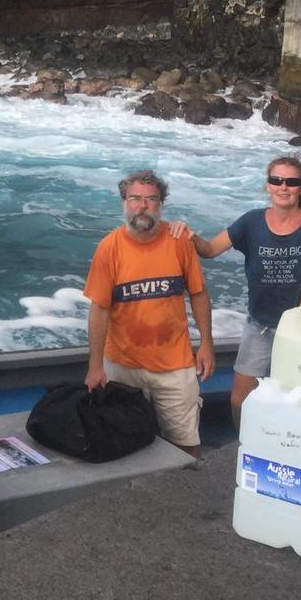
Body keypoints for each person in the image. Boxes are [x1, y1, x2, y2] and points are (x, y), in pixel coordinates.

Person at [171, 156, 301, 428]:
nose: (283, 187)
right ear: (267, 186)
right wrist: (189, 235)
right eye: (276, 180)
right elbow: (210, 250)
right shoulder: (251, 222)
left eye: (291, 181)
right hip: (260, 326)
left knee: (298, 401)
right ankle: (247, 447)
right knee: (240, 400)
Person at [84, 169, 214, 458]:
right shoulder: (109, 248)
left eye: (151, 199)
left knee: (187, 446)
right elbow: (99, 310)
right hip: (122, 365)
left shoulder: (179, 241)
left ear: (161, 204)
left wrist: (206, 344)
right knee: (125, 443)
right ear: (124, 202)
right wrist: (95, 367)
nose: (142, 206)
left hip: (175, 365)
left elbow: (198, 293)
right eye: (135, 198)